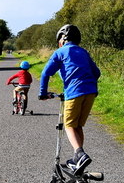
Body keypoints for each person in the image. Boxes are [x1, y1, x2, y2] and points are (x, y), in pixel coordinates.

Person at [39, 24, 100, 174]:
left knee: (69, 125)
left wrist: (43, 93)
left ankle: (79, 153)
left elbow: (46, 74)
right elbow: (97, 73)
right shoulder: (83, 52)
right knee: (78, 125)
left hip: (74, 92)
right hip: (91, 92)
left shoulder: (60, 52)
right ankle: (77, 159)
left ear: (62, 39)